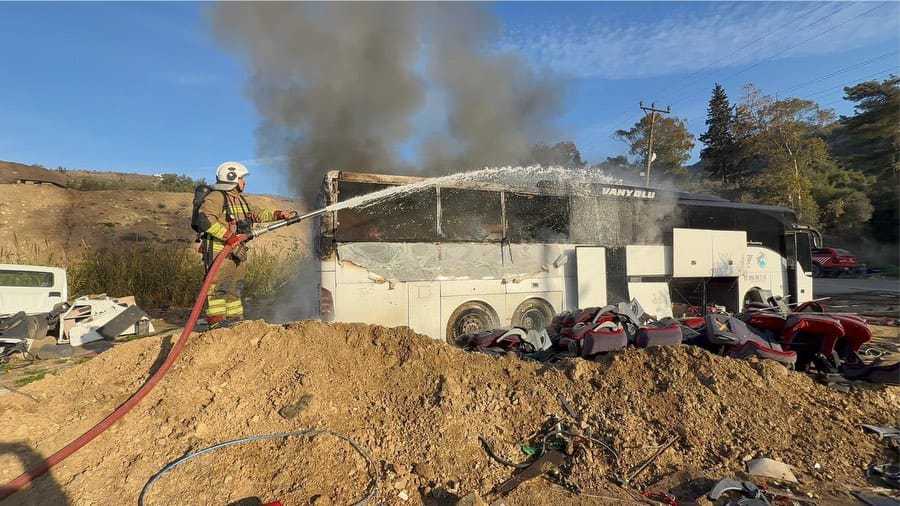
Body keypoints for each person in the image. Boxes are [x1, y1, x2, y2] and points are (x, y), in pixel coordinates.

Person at [196, 161, 297, 327]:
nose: (245, 182)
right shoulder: (216, 197)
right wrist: (228, 236)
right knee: (218, 288)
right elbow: (204, 219)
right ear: (233, 178)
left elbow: (254, 215)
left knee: (235, 287)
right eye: (242, 178)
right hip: (219, 252)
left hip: (236, 251)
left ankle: (235, 322)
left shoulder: (239, 200)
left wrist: (279, 214)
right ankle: (216, 324)